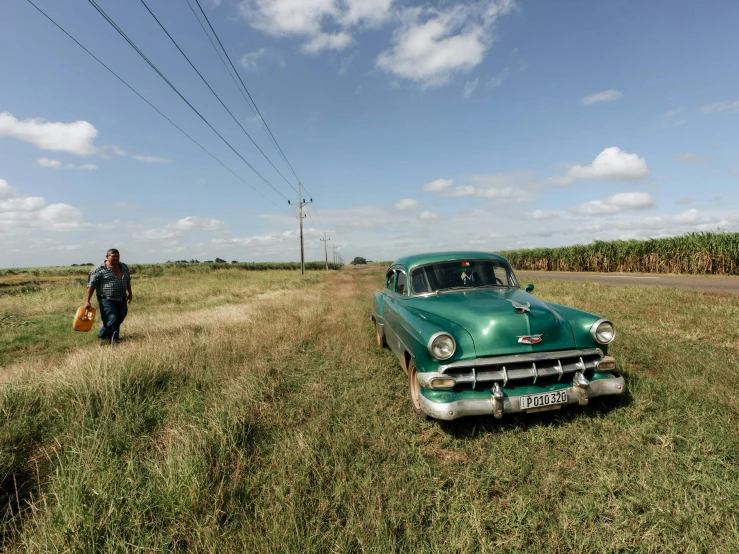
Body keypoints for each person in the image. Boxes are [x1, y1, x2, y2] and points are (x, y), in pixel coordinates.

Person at [84, 248, 132, 344]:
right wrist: (87, 300)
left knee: (120, 317)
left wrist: (130, 293)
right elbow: (91, 286)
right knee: (112, 318)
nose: (116, 258)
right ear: (107, 257)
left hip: (121, 297)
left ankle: (102, 333)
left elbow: (127, 280)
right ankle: (114, 340)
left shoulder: (123, 267)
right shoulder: (99, 269)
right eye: (113, 256)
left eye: (117, 256)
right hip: (106, 299)